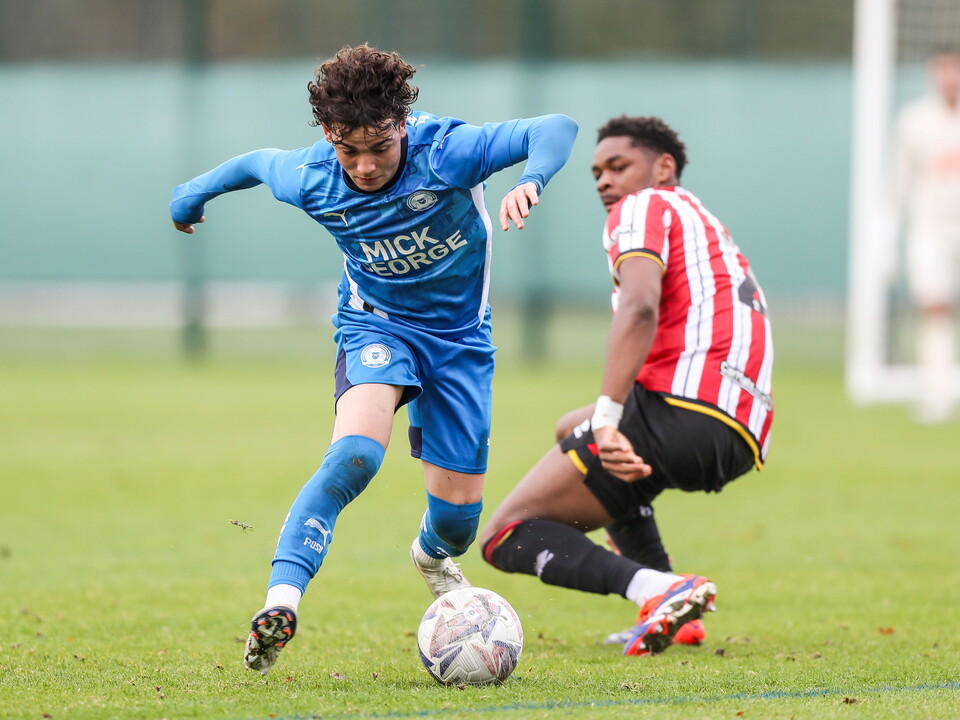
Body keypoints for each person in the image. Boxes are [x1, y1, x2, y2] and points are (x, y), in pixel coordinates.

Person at [169, 44, 578, 675]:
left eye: (378, 148)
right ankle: (281, 602)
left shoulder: (447, 153)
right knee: (357, 453)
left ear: (402, 127)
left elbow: (555, 128)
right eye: (347, 149)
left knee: (459, 523)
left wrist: (531, 180)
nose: (362, 165)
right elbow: (254, 164)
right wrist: (191, 196)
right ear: (330, 137)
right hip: (375, 326)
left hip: (461, 343)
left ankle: (431, 555)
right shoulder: (313, 177)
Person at [479, 116, 774, 656]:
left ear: (664, 168)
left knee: (506, 534)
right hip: (737, 432)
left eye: (619, 166)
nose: (604, 181)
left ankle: (658, 588)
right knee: (572, 426)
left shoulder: (644, 207)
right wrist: (603, 420)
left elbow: (640, 307)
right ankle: (676, 612)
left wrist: (612, 417)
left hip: (683, 407)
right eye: (596, 172)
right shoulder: (703, 222)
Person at [890, 48, 960, 424]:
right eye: (944, 68)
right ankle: (938, 395)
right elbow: (898, 182)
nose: (950, 76)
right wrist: (887, 237)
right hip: (931, 231)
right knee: (935, 309)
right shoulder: (915, 121)